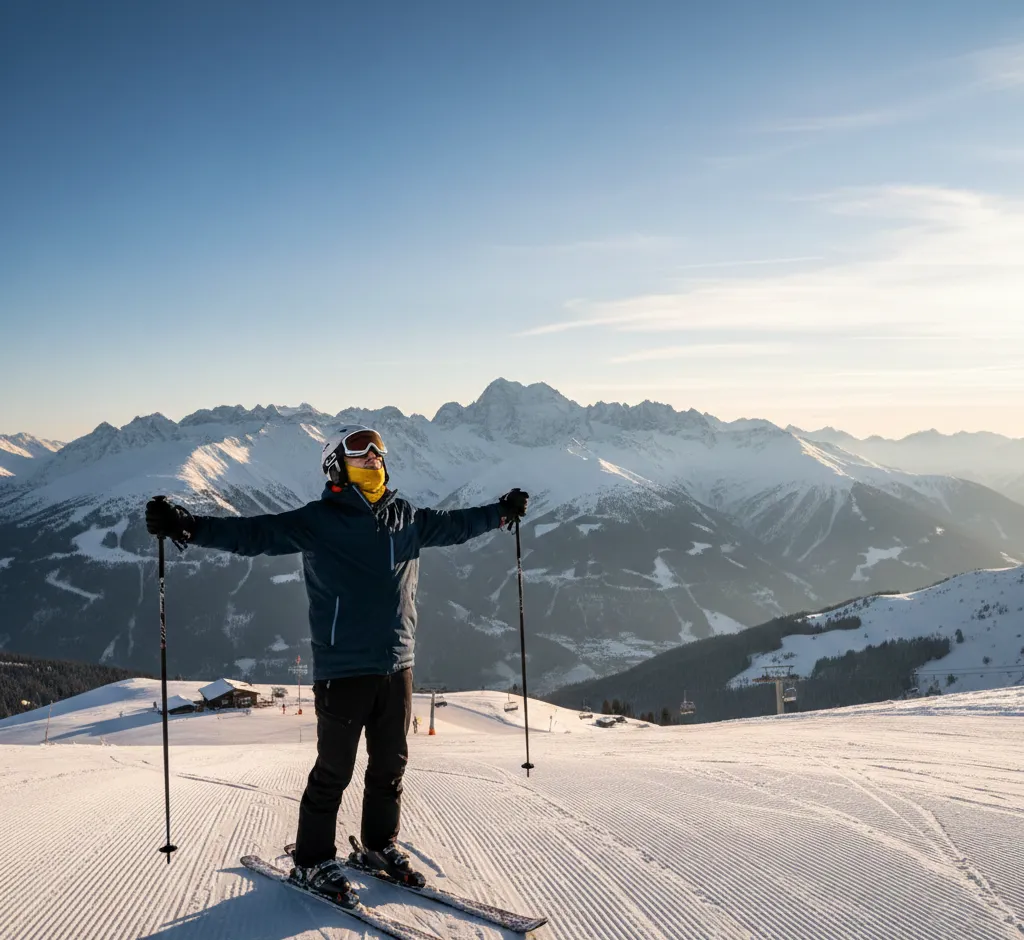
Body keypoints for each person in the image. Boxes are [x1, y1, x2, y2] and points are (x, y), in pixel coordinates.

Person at [145, 424, 527, 905]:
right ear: (337, 466)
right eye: (360, 453)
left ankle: (379, 845)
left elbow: (458, 525)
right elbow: (254, 534)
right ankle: (311, 860)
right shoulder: (319, 520)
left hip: (398, 665)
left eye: (378, 452)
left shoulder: (407, 517)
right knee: (334, 770)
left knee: (390, 765)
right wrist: (188, 527)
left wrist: (501, 513)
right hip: (343, 668)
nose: (373, 458)